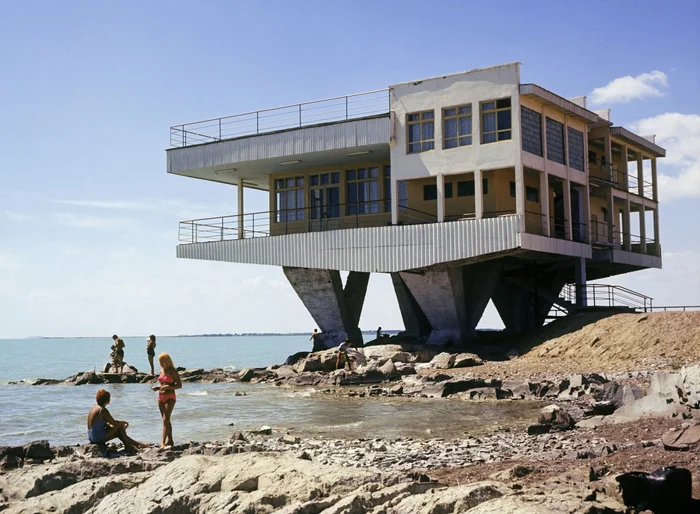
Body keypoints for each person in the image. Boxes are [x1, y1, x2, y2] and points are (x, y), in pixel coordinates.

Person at [152, 352, 182, 448]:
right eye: (160, 362)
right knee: (166, 420)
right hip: (161, 397)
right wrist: (158, 388)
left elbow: (179, 385)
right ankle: (170, 440)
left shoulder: (173, 371)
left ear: (167, 361)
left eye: (163, 361)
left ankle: (162, 442)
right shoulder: (161, 371)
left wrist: (167, 387)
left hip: (170, 397)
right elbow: (162, 385)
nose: (161, 363)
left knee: (165, 419)